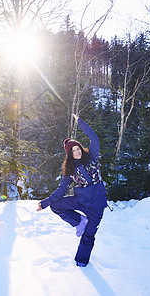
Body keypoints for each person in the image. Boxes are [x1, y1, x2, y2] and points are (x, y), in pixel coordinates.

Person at [37, 114, 107, 267]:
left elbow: (95, 139)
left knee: (89, 236)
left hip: (96, 204)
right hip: (81, 200)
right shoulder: (70, 169)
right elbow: (61, 190)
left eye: (78, 148)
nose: (77, 152)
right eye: (73, 150)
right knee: (56, 205)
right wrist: (45, 203)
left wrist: (81, 123)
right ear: (69, 154)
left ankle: (81, 261)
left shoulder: (92, 157)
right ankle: (79, 221)